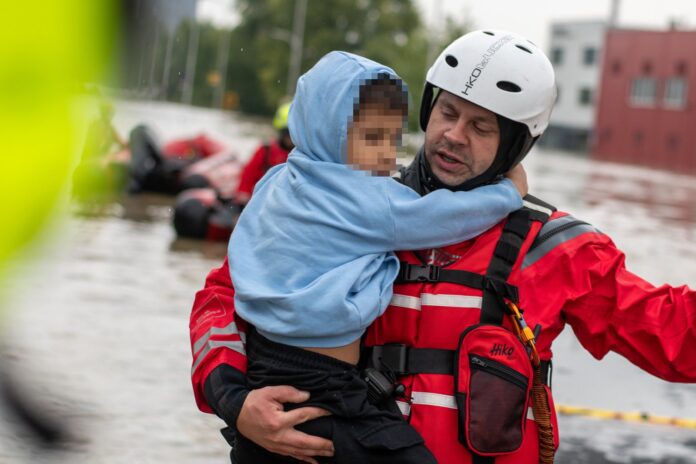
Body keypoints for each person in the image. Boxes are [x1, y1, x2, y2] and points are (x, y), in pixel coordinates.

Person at [189, 30, 696, 464]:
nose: (453, 136)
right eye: (447, 113)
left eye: (481, 127)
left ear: (515, 145)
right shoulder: (339, 212)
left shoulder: (557, 249)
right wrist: (234, 401)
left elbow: (671, 335)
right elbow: (221, 301)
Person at [227, 50, 526, 463]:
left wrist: (231, 399)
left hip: (262, 373)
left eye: (392, 139)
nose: (387, 156)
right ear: (327, 131)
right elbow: (442, 217)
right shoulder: (367, 199)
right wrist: (508, 194)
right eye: (372, 140)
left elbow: (235, 266)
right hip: (323, 384)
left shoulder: (276, 182)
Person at [172, 102, 294, 240]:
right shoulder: (265, 151)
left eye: (292, 134)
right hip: (257, 202)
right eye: (287, 134)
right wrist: (243, 199)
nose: (290, 139)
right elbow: (248, 175)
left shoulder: (300, 158)